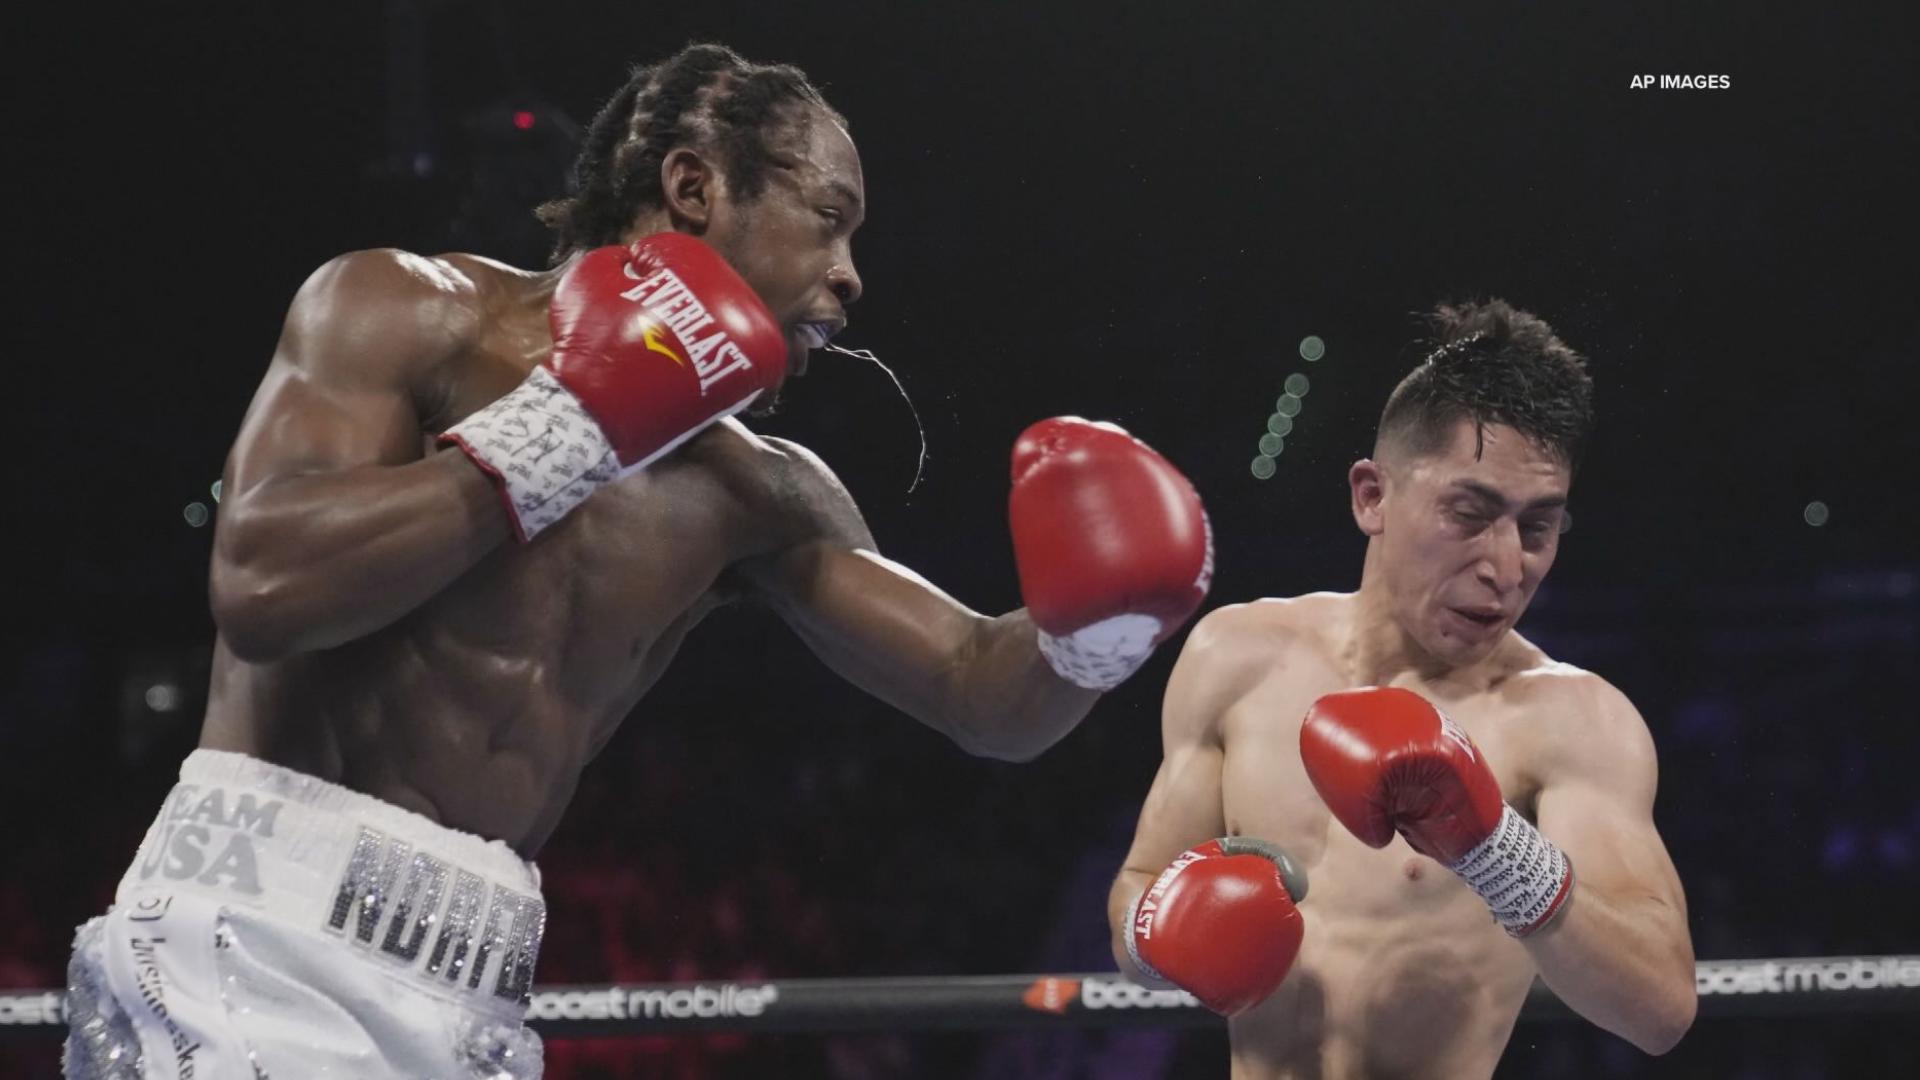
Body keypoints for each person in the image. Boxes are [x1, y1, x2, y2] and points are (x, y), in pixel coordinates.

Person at [64, 44, 1214, 1079]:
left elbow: (980, 693)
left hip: (468, 993)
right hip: (249, 941)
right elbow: (265, 589)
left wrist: (1097, 629)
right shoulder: (405, 310)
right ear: (694, 187)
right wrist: (571, 427)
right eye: (829, 218)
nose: (854, 276)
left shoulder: (756, 492)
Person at [1107, 300, 1697, 1077]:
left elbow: (1661, 1008)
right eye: (1470, 512)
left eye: (1537, 527)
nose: (1505, 565)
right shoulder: (1237, 657)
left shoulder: (1573, 720)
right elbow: (1138, 894)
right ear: (1372, 497)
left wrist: (1493, 852)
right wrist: (1167, 939)